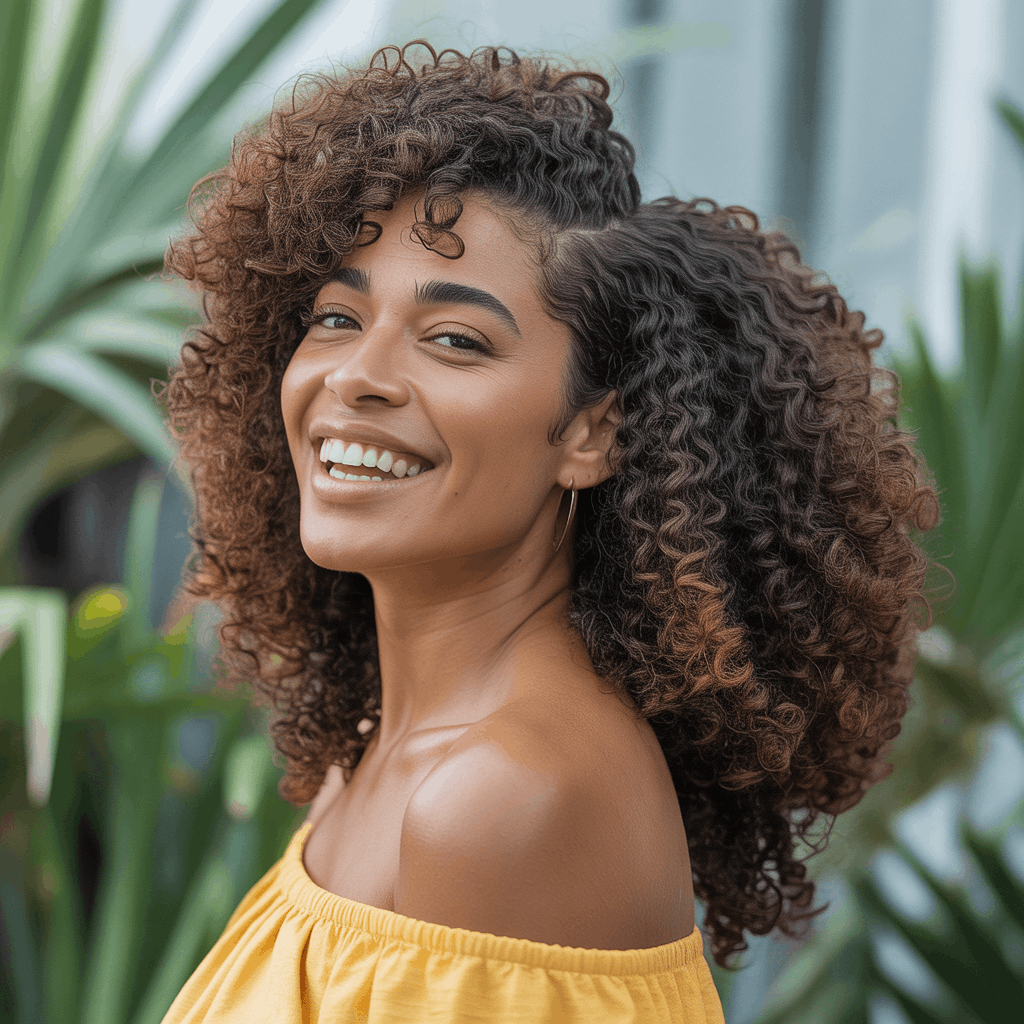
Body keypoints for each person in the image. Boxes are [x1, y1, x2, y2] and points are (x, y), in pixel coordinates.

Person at [156, 40, 941, 1023]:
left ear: (589, 431)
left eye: (454, 339)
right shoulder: (381, 753)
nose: (358, 375)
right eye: (335, 318)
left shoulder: (505, 798)